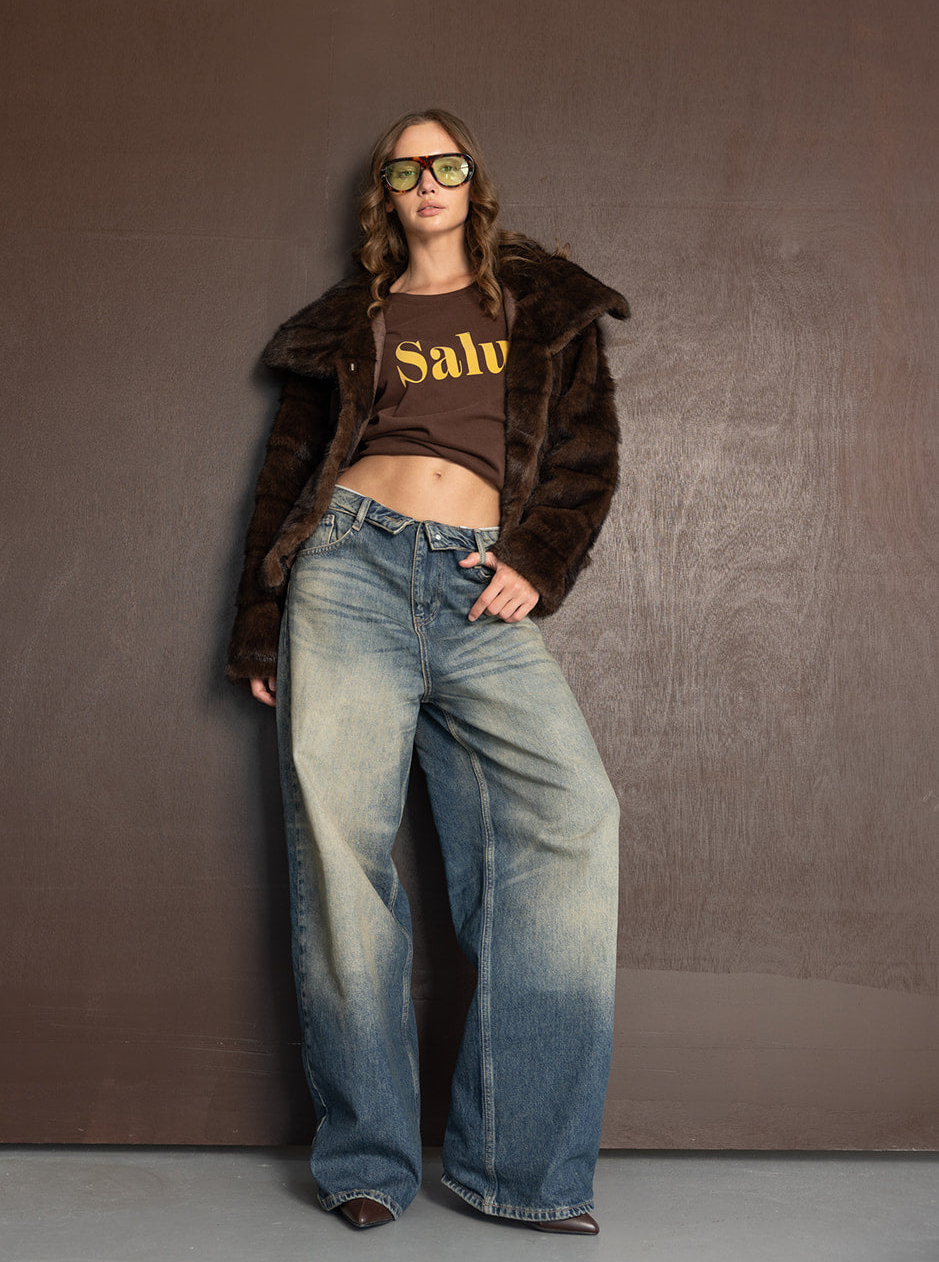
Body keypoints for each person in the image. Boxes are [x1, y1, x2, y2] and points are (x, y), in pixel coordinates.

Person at [226, 107, 629, 1235]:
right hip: (347, 569)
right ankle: (365, 1159)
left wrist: (536, 560)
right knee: (341, 858)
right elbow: (288, 476)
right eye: (406, 169)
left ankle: (521, 1169)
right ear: (387, 195)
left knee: (572, 816)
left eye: (445, 162)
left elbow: (587, 454)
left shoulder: (541, 308)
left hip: (475, 581)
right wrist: (259, 625)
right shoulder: (346, 322)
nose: (428, 180)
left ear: (471, 181)